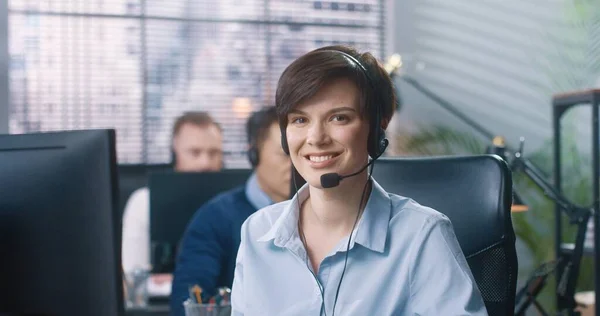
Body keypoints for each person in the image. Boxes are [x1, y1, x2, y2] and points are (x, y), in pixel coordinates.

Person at [231, 46, 488, 315]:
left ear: (377, 128)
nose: (316, 138)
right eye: (300, 120)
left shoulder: (421, 235)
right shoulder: (257, 233)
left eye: (338, 117)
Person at [170, 106, 291, 315]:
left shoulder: (322, 216)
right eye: (285, 154)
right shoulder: (214, 218)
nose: (297, 164)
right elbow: (188, 303)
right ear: (254, 154)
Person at [121, 112, 223, 283]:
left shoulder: (233, 204)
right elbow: (134, 278)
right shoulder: (144, 201)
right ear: (175, 152)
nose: (205, 163)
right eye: (195, 152)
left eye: (213, 153)